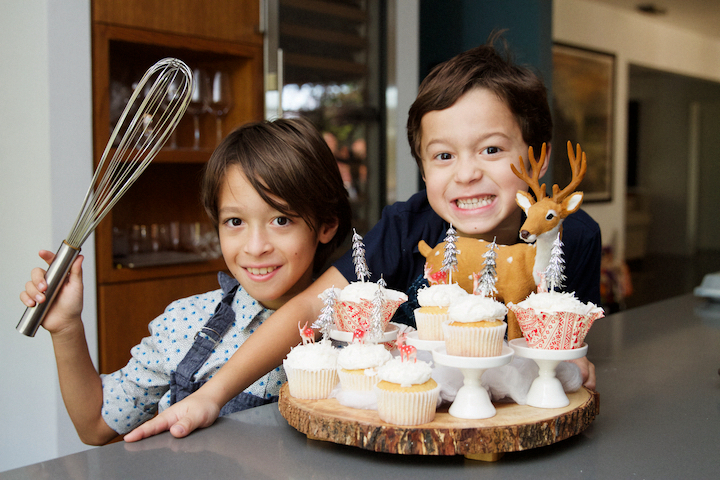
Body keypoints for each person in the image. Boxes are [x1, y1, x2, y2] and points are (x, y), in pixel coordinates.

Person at [125, 39, 601, 442]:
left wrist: (574, 367)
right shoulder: (407, 226)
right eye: (443, 155)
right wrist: (211, 396)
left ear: (539, 160)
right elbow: (309, 307)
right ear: (422, 167)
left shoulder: (574, 238)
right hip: (406, 430)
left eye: (492, 149)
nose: (467, 173)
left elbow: (563, 349)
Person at [19, 118, 352, 445]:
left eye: (281, 220)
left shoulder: (362, 333)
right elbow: (95, 425)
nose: (255, 247)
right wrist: (66, 328)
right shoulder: (185, 323)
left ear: (326, 225)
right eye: (235, 221)